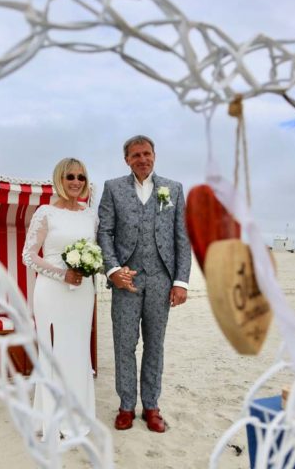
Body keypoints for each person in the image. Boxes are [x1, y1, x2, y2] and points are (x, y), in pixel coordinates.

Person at [97, 135, 192, 433]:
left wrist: (181, 281)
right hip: (126, 281)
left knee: (155, 346)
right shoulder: (113, 188)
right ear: (126, 159)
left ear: (154, 155)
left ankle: (151, 406)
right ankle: (126, 405)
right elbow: (105, 234)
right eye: (135, 155)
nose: (142, 159)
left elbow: (182, 238)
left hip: (162, 281)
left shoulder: (173, 189)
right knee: (124, 345)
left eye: (147, 153)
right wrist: (112, 270)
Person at [22, 157, 97, 440]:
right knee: (53, 351)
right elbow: (29, 255)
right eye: (70, 177)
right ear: (59, 180)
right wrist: (61, 274)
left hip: (83, 292)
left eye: (81, 177)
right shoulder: (45, 213)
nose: (76, 182)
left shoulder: (90, 214)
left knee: (78, 350)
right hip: (51, 291)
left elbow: (98, 249)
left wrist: (90, 266)